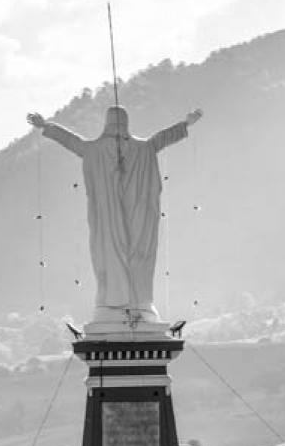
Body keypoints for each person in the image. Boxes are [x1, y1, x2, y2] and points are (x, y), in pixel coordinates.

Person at [27, 105, 203, 323]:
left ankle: (119, 302)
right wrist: (186, 123)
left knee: (110, 255)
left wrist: (47, 126)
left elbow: (72, 142)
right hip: (137, 219)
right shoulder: (142, 148)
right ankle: (133, 303)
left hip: (109, 221)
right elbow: (162, 139)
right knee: (134, 256)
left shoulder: (97, 149)